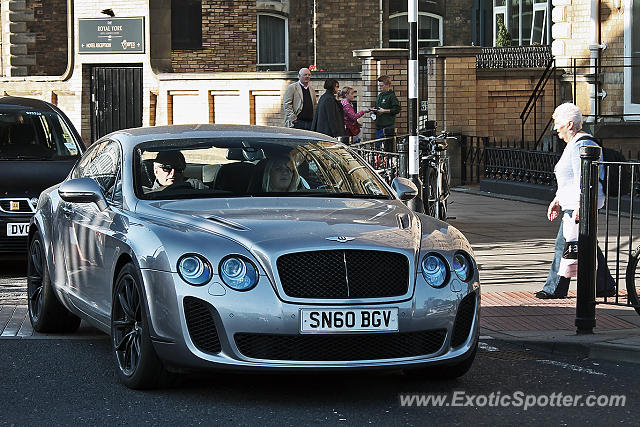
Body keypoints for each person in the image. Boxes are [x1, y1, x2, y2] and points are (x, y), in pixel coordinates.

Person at [534, 102, 617, 299]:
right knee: (586, 244)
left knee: (564, 245)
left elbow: (585, 177)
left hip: (578, 206)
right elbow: (570, 179)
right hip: (574, 203)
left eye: (557, 123)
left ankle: (555, 289)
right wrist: (557, 200)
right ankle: (604, 285)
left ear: (570, 124)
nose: (555, 128)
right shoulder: (574, 144)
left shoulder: (582, 144)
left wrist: (582, 205)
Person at [373, 75, 401, 140]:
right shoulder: (379, 96)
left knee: (388, 146)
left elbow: (397, 109)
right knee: (379, 147)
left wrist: (384, 111)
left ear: (387, 85)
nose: (379, 87)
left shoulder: (391, 96)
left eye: (381, 86)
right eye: (379, 86)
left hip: (388, 127)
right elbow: (378, 108)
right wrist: (374, 111)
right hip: (379, 126)